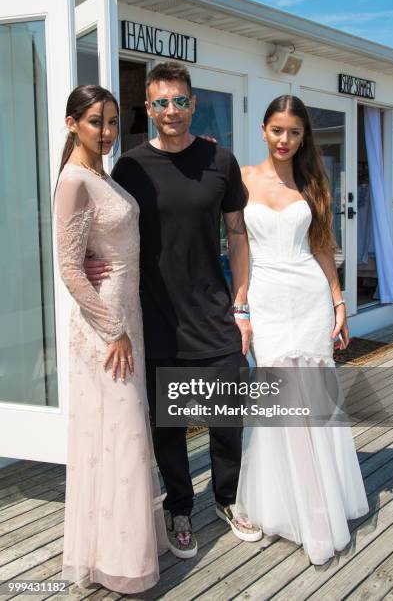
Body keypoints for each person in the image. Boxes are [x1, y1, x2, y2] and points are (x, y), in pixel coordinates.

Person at [84, 62, 262, 558]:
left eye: (179, 101)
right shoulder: (131, 167)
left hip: (214, 312)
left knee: (228, 418)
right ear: (149, 108)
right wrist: (95, 263)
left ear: (193, 104)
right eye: (160, 103)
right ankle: (179, 507)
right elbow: (110, 228)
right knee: (170, 424)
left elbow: (238, 233)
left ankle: (227, 497)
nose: (170, 111)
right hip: (156, 315)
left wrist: (242, 303)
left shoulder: (219, 160)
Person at [235, 95, 369, 565]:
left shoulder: (313, 182)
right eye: (277, 130)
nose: (284, 140)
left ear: (304, 136)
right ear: (263, 129)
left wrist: (338, 300)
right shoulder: (243, 178)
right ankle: (292, 507)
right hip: (266, 300)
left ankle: (317, 506)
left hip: (308, 297)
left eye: (294, 132)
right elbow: (236, 247)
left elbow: (321, 246)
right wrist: (241, 305)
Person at [55, 85, 167, 593]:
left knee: (123, 436)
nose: (106, 131)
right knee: (119, 435)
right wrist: (113, 329)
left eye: (113, 121)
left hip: (128, 317)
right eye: (96, 121)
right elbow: (70, 271)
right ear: (72, 122)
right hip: (107, 330)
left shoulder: (103, 175)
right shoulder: (74, 181)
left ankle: (120, 549)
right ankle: (117, 562)